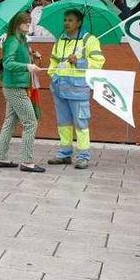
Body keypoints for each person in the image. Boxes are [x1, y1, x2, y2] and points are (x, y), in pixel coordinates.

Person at [46, 9, 105, 169]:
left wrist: (79, 61)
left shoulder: (89, 40)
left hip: (78, 89)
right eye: (65, 20)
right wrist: (53, 75)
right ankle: (64, 153)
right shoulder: (60, 40)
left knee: (81, 124)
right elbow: (53, 60)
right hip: (60, 88)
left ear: (79, 22)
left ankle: (83, 156)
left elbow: (99, 62)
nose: (66, 23)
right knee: (63, 123)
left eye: (70, 20)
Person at [0, 12, 46, 173]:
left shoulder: (21, 40)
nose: (29, 25)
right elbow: (8, 63)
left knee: (10, 121)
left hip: (15, 85)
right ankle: (27, 161)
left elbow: (22, 52)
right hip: (15, 86)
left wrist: (32, 54)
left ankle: (1, 157)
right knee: (31, 122)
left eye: (29, 22)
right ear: (17, 24)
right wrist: (27, 66)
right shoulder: (12, 41)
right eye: (25, 23)